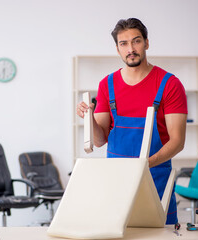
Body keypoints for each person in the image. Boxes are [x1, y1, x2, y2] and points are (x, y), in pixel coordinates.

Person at [76, 18, 187, 224]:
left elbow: (177, 141)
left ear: (146, 43)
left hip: (156, 182)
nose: (131, 49)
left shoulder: (169, 84)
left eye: (136, 41)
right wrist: (89, 119)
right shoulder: (106, 85)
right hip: (117, 184)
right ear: (117, 48)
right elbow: (100, 141)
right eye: (123, 44)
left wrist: (144, 166)